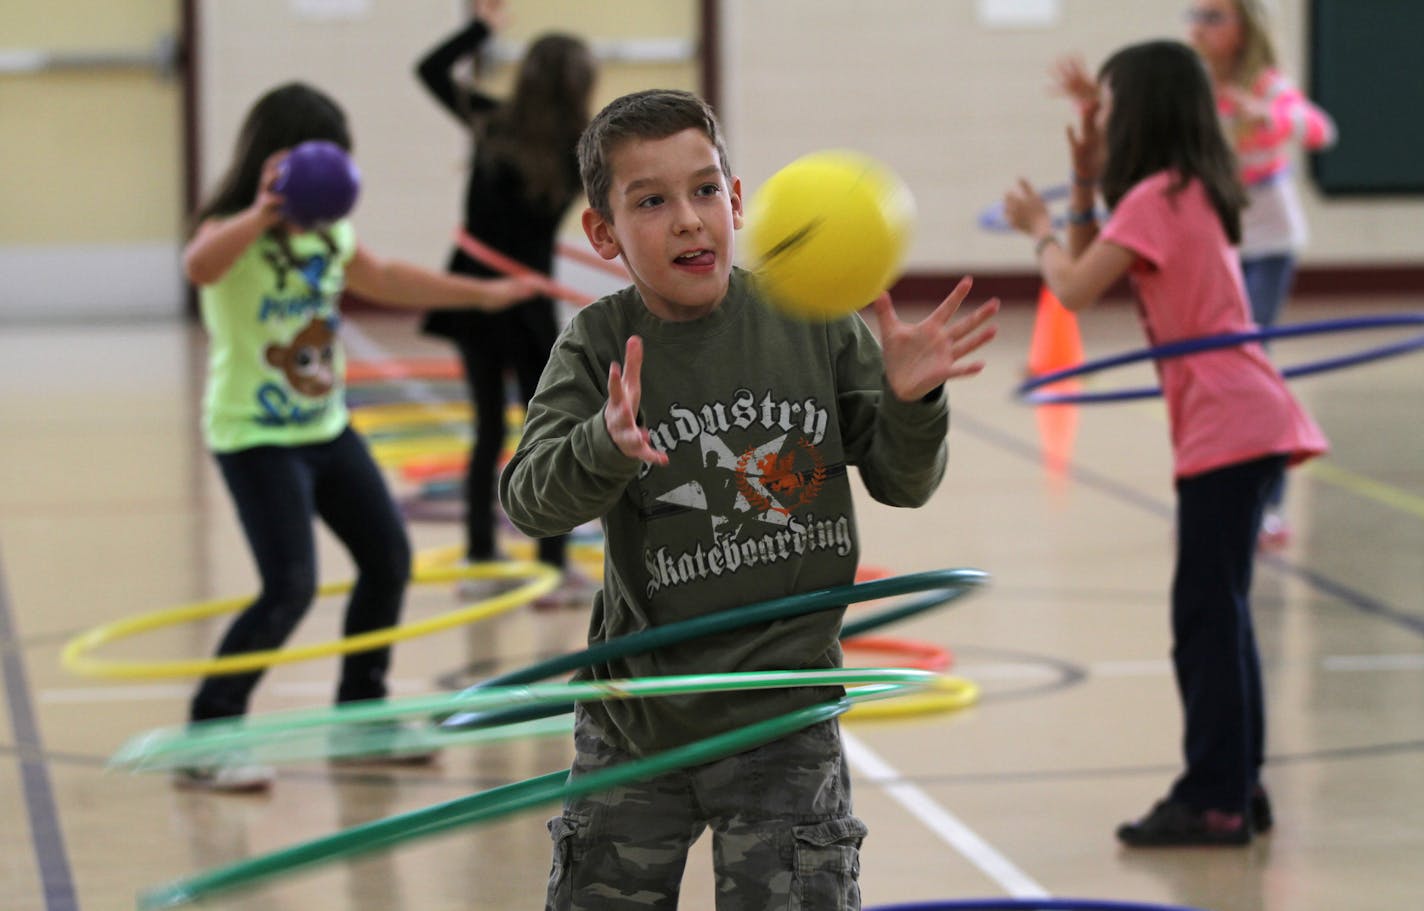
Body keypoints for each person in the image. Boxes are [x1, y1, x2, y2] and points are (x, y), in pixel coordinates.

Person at [500, 88, 999, 910]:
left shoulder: (813, 321)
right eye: (651, 202)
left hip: (783, 720)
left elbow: (905, 484)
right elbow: (528, 500)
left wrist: (912, 404)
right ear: (603, 233)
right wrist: (603, 444)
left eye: (704, 191)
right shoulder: (596, 345)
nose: (689, 220)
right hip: (637, 723)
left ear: (736, 200)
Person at [1005, 40, 1328, 846]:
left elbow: (1073, 284)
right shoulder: (1188, 190)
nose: (1099, 119)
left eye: (1107, 107)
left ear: (1140, 112)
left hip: (1227, 421)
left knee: (1205, 619)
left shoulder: (1157, 195)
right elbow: (1096, 252)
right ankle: (1237, 785)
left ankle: (1214, 795)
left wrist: (1039, 228)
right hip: (1243, 416)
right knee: (1222, 613)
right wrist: (1081, 178)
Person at [179, 81, 537, 793]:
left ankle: (360, 715)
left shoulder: (327, 231)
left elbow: (384, 277)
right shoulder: (232, 227)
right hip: (254, 436)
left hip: (327, 426)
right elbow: (199, 266)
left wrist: (481, 293)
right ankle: (209, 731)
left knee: (387, 558)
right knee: (290, 586)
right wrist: (261, 211)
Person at [1053, 0, 1337, 549]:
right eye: (1195, 15)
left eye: (1213, 17)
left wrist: (1270, 116)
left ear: (1243, 29)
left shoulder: (1267, 83)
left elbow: (1321, 130)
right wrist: (1102, 102)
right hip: (1202, 235)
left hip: (1265, 237)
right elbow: (1154, 118)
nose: (1199, 26)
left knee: (1242, 359)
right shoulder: (1190, 81)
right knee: (1209, 363)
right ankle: (1221, 488)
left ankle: (1262, 505)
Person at [414, 0, 599, 604]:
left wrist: (480, 30)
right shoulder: (582, 154)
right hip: (523, 303)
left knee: (488, 430)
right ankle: (550, 567)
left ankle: (478, 561)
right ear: (578, 88)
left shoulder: (491, 122)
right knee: (546, 434)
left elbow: (431, 70)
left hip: (473, 296)